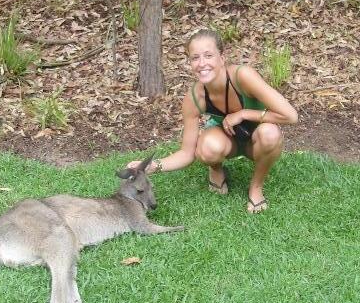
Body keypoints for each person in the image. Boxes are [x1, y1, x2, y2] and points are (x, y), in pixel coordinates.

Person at [127, 28, 298, 213]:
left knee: (270, 133)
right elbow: (187, 153)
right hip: (226, 141)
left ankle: (256, 187)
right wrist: (154, 166)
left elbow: (290, 115)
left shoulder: (242, 76)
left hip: (256, 141)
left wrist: (243, 114)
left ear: (222, 57)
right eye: (195, 58)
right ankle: (216, 169)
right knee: (208, 147)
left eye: (208, 55)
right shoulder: (194, 97)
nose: (202, 63)